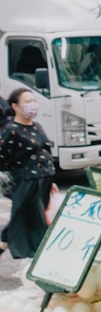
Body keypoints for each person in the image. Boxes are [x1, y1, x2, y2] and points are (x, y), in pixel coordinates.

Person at [0, 88, 56, 259]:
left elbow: (44, 151)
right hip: (27, 183)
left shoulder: (37, 126)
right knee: (35, 224)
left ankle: (3, 243)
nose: (32, 105)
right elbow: (2, 157)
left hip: (44, 181)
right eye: (27, 102)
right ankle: (44, 262)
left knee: (22, 221)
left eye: (34, 101)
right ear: (15, 106)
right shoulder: (12, 130)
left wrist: (51, 181)